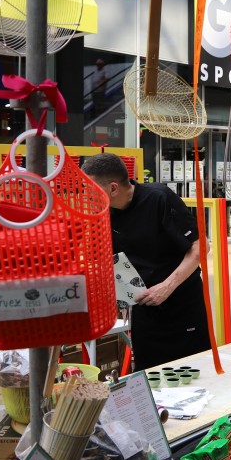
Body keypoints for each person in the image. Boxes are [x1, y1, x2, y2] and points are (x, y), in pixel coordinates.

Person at [82, 153, 210, 371]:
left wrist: (166, 286)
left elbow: (201, 246)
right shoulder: (104, 214)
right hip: (144, 310)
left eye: (90, 189)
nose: (86, 196)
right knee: (148, 374)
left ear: (113, 188)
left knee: (191, 372)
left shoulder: (159, 198)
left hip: (181, 305)